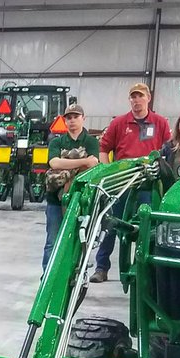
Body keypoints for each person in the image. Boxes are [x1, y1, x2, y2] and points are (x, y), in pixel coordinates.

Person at [93, 82, 171, 283]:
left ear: (148, 98)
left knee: (148, 225)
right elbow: (103, 149)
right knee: (110, 223)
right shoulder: (119, 123)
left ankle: (146, 268)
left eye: (140, 96)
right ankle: (101, 267)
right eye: (133, 97)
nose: (137, 101)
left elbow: (168, 151)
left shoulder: (160, 123)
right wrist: (108, 172)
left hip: (148, 183)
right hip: (122, 183)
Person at [42, 103, 100, 270]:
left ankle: (72, 275)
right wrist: (83, 161)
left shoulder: (91, 142)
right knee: (52, 241)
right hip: (55, 201)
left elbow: (94, 164)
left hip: (81, 200)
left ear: (83, 119)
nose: (72, 120)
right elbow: (54, 162)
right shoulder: (56, 142)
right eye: (69, 118)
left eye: (76, 117)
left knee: (76, 240)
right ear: (64, 121)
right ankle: (47, 275)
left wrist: (65, 164)